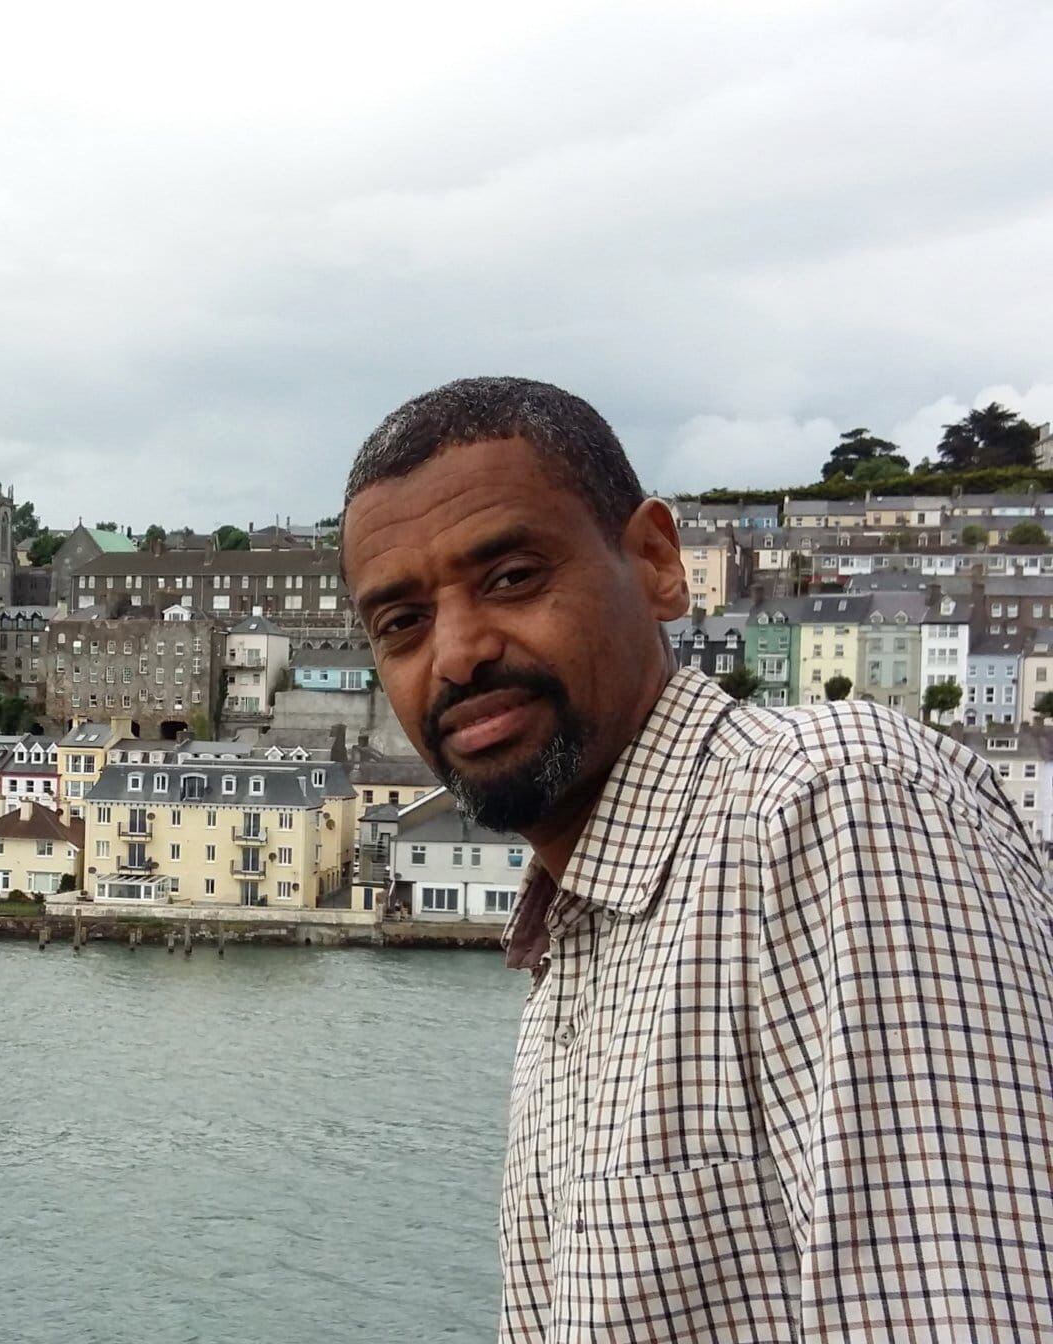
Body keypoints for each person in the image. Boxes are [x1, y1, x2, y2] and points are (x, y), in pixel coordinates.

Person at [340, 377, 1053, 1342]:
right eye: (402, 623)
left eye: (511, 577)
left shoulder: (825, 806)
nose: (458, 653)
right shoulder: (578, 953)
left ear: (659, 564)